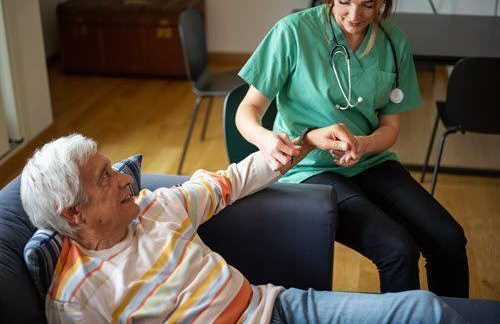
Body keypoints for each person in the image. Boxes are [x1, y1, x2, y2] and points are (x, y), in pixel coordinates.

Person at [20, 133, 465, 323]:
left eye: (112, 168)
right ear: (72, 214)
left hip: (283, 308)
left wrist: (302, 140)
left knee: (426, 310)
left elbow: (233, 180)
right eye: (104, 179)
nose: (124, 178)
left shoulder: (157, 206)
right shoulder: (76, 299)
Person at [235, 0, 469, 297]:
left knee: (448, 237)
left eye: (368, 5)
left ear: (384, 0)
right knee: (398, 249)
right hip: (308, 168)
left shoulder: (393, 41)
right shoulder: (293, 32)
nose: (354, 15)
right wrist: (265, 138)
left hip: (370, 160)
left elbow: (390, 129)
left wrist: (363, 143)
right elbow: (246, 111)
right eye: (344, 1)